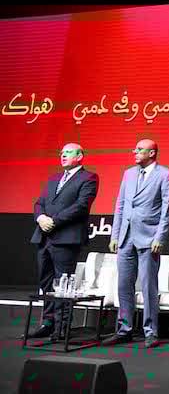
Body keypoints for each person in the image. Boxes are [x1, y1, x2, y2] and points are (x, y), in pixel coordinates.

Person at [104, 139, 169, 348]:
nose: (134, 152)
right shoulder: (128, 173)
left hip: (149, 238)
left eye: (139, 149)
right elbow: (120, 205)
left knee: (148, 286)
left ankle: (151, 331)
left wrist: (160, 237)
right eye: (134, 149)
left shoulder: (165, 174)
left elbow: (167, 210)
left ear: (152, 153)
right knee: (123, 285)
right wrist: (115, 235)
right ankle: (124, 329)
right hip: (126, 237)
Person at [29, 143, 99, 341]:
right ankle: (48, 323)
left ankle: (62, 327)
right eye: (61, 153)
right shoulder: (54, 178)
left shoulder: (89, 177)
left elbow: (81, 206)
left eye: (68, 152)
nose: (63, 155)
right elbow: (39, 203)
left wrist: (54, 221)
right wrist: (40, 218)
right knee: (46, 282)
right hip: (44, 236)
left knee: (63, 285)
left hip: (66, 238)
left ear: (80, 156)